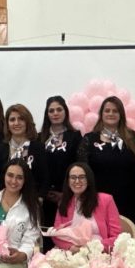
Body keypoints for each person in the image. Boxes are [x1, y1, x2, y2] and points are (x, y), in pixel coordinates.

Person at [77, 96, 135, 223]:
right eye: (107, 110)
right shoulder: (89, 139)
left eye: (115, 111)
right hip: (98, 201)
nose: (111, 113)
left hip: (128, 201)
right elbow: (83, 171)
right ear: (101, 114)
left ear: (121, 114)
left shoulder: (132, 137)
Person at [39, 95, 82, 250]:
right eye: (51, 110)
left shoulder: (75, 136)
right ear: (47, 114)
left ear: (65, 112)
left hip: (67, 197)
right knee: (47, 239)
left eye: (59, 109)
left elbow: (79, 166)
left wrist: (66, 193)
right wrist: (44, 193)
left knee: (66, 239)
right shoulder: (40, 138)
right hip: (44, 199)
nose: (55, 113)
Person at [53, 162, 121, 252]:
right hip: (71, 253)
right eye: (73, 177)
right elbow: (56, 234)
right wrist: (71, 248)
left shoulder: (106, 200)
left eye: (82, 177)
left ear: (88, 180)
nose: (77, 181)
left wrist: (92, 248)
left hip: (100, 252)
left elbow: (116, 236)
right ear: (68, 181)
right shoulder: (64, 203)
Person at [0, 104, 48, 198]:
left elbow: (44, 179)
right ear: (7, 124)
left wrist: (39, 199)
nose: (16, 123)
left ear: (27, 122)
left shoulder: (39, 148)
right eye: (12, 120)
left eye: (21, 119)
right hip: (5, 200)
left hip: (31, 201)